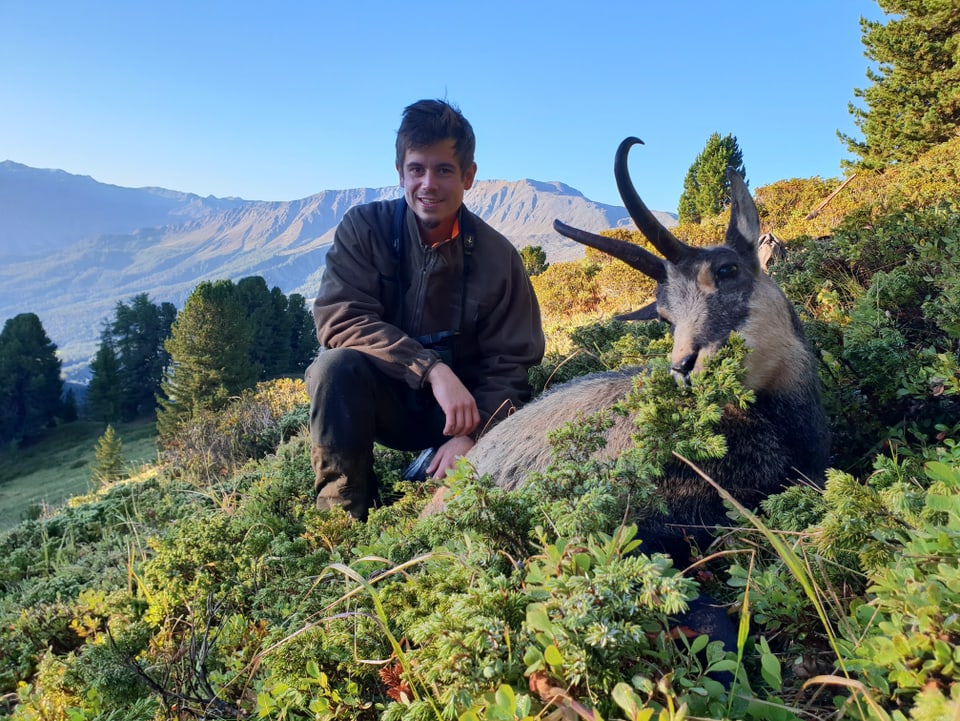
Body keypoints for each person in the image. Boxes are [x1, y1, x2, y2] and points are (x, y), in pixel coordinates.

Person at [305, 99, 545, 520]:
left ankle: (440, 479)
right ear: (400, 172)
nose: (428, 184)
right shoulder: (364, 229)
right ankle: (340, 520)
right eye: (417, 169)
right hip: (384, 402)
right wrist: (431, 369)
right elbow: (340, 319)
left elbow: (512, 364)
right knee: (332, 369)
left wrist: (475, 435)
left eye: (444, 170)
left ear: (469, 176)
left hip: (461, 413)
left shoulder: (499, 258)